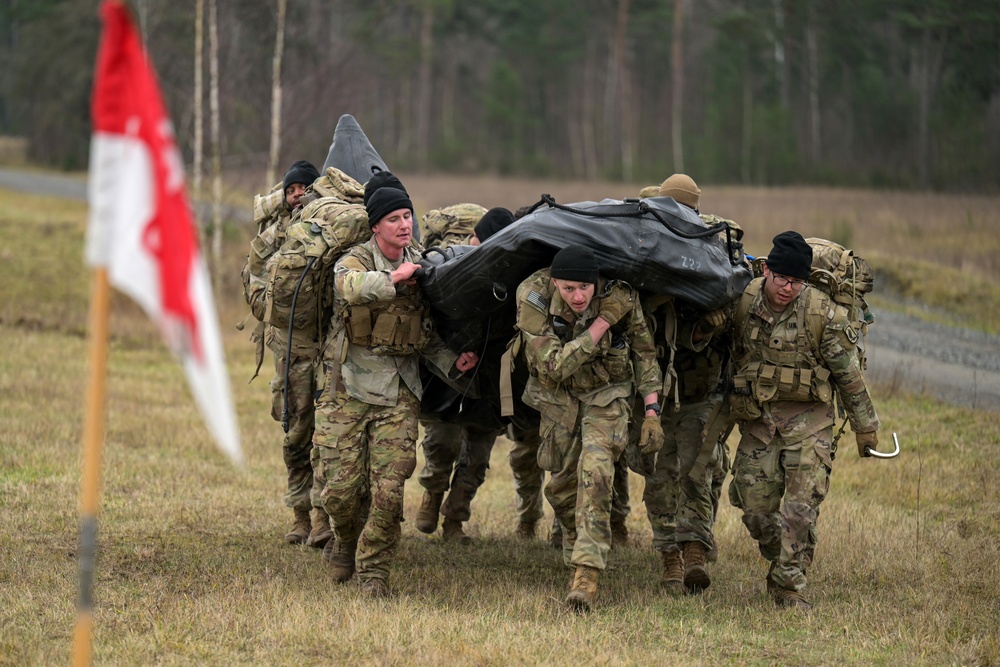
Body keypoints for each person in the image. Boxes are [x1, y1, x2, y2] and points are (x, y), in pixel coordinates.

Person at [315, 185, 479, 598]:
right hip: (347, 391)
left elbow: (423, 334)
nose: (404, 225)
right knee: (339, 493)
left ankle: (374, 573)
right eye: (394, 219)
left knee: (389, 491)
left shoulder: (423, 265)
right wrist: (393, 278)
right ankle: (346, 540)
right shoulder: (353, 261)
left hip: (398, 395)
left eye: (408, 216)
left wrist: (450, 362)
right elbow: (348, 287)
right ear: (376, 227)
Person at [728, 231, 880, 609]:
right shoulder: (744, 302)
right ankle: (784, 558)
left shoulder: (822, 314)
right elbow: (727, 354)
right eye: (781, 278)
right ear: (766, 271)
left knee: (800, 508)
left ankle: (788, 586)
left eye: (796, 281)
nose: (788, 288)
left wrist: (866, 428)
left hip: (810, 421)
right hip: (761, 421)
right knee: (755, 509)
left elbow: (848, 374)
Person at [515, 245, 663, 612]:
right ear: (554, 283)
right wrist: (600, 326)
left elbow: (645, 354)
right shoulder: (532, 297)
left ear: (596, 281)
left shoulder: (619, 295)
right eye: (568, 289)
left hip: (606, 396)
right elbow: (552, 367)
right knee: (563, 491)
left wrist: (652, 411)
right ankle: (575, 539)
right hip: (558, 398)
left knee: (595, 476)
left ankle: (586, 576)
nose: (578, 296)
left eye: (585, 288)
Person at [635, 174, 735, 594]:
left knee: (696, 469)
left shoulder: (712, 249)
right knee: (659, 474)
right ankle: (670, 556)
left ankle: (692, 551)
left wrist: (708, 325)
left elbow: (734, 307)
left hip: (697, 385)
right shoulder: (642, 246)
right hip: (652, 385)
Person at [415, 206, 516, 544]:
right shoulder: (448, 267)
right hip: (449, 379)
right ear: (474, 239)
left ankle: (455, 520)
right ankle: (431, 498)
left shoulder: (515, 275)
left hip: (489, 382)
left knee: (477, 458)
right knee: (441, 446)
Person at [242, 159, 328, 546]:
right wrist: (275, 308)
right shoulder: (271, 236)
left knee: (329, 439)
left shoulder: (331, 229)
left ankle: (326, 518)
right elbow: (254, 282)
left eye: (303, 189)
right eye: (291, 189)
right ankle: (300, 515)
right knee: (295, 434)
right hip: (289, 352)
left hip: (328, 352)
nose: (297, 195)